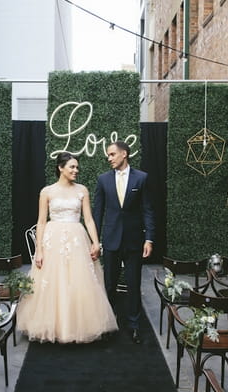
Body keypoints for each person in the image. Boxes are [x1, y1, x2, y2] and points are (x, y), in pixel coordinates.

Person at [16, 152, 118, 343]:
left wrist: (96, 242)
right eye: (72, 167)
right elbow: (41, 222)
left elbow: (88, 219)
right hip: (52, 240)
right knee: (54, 283)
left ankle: (77, 326)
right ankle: (54, 327)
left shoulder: (82, 190)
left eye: (77, 167)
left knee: (79, 282)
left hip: (77, 240)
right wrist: (39, 249)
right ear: (60, 168)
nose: (76, 170)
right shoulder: (47, 191)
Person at [93, 141, 155, 344]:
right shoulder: (103, 180)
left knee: (133, 284)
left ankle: (134, 325)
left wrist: (149, 238)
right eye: (108, 155)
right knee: (109, 285)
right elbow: (98, 213)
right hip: (110, 240)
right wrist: (94, 241)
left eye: (112, 154)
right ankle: (110, 324)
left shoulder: (142, 178)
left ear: (124, 154)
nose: (109, 158)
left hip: (134, 241)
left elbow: (147, 210)